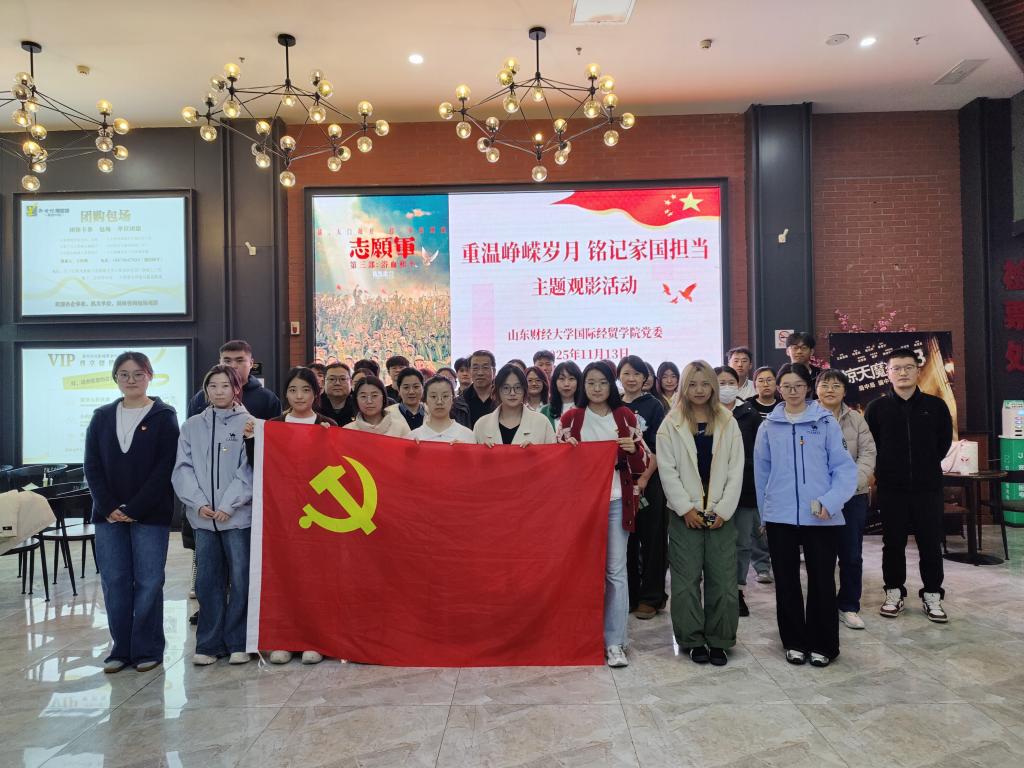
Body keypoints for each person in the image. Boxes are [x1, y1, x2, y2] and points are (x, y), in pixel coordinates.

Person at [754, 363, 857, 667]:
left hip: (821, 515)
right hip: (780, 517)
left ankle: (824, 644)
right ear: (778, 389)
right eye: (786, 386)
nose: (792, 391)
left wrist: (831, 502)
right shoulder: (768, 426)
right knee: (786, 582)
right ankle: (794, 642)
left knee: (822, 581)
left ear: (807, 388)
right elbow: (761, 474)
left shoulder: (825, 422)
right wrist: (765, 515)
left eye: (798, 385)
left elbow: (844, 469)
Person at [84, 352, 180, 674]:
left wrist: (135, 508)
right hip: (107, 516)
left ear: (149, 376)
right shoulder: (101, 416)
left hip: (150, 515)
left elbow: (165, 467)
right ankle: (120, 649)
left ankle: (147, 648)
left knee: (149, 582)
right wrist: (109, 507)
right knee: (115, 581)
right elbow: (92, 465)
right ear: (115, 378)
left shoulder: (164, 416)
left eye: (138, 374)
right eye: (124, 374)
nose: (131, 380)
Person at [558, 362, 647, 668]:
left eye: (603, 382)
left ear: (612, 385)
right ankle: (581, 635)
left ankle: (615, 641)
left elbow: (642, 462)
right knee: (581, 570)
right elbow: (559, 466)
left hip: (617, 501)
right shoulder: (571, 418)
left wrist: (632, 449)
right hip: (582, 505)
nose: (596, 388)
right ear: (583, 386)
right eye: (591, 382)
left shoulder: (625, 416)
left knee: (615, 571)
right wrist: (566, 449)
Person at [655, 361, 744, 666]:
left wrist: (723, 510)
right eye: (692, 384)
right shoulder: (671, 423)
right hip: (685, 516)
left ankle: (720, 639)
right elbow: (667, 471)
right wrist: (686, 508)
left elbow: (736, 470)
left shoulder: (728, 421)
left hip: (720, 514)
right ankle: (692, 640)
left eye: (705, 383)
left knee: (723, 581)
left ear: (713, 387)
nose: (699, 390)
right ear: (683, 387)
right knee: (685, 583)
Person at [172, 365, 254, 666]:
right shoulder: (192, 425)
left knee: (241, 580)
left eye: (225, 386)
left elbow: (250, 470)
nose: (219, 391)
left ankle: (238, 641)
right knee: (207, 581)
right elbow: (182, 468)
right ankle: (208, 643)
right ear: (205, 390)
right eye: (213, 386)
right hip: (203, 519)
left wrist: (229, 505)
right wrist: (198, 503)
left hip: (237, 518)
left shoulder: (250, 424)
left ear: (236, 389)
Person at [865, 348, 953, 623]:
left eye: (908, 367)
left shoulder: (935, 406)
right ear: (888, 373)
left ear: (917, 370)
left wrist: (925, 465)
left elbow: (943, 443)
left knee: (930, 542)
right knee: (893, 543)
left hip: (928, 488)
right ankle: (893, 592)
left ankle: (932, 595)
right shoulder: (876, 408)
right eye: (896, 368)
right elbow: (871, 446)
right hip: (892, 488)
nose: (902, 373)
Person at [816, 370, 877, 630]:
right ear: (816, 389)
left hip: (852, 496)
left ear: (844, 391)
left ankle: (849, 606)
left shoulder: (856, 419)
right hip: (819, 497)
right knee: (821, 555)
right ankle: (822, 605)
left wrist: (848, 486)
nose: (830, 390)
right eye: (825, 385)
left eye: (836, 385)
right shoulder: (808, 417)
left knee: (851, 554)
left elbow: (868, 454)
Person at [617, 356, 668, 620]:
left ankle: (652, 597)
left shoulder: (654, 405)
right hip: (620, 483)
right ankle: (630, 595)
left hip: (650, 481)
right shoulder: (613, 405)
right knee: (625, 541)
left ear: (645, 378)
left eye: (637, 374)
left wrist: (645, 477)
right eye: (627, 373)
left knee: (652, 540)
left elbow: (659, 446)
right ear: (619, 376)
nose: (632, 378)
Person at [715, 365, 765, 618]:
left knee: (742, 543)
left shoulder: (750, 414)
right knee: (716, 543)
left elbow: (759, 452)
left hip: (745, 488)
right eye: (720, 382)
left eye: (730, 382)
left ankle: (737, 590)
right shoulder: (707, 412)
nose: (726, 387)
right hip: (713, 490)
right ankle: (716, 589)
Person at [186, 340, 281, 419]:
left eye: (239, 361)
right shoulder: (201, 398)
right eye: (227, 361)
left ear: (251, 363)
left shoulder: (268, 399)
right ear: (220, 362)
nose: (233, 366)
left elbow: (275, 433)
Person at [474, 364, 556, 446]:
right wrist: (482, 451)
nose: (512, 393)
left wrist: (535, 451)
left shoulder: (542, 422)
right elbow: (471, 453)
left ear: (524, 389)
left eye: (517, 387)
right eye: (506, 388)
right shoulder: (482, 424)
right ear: (497, 390)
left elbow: (553, 453)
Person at [411, 376, 476, 443]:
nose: (439, 402)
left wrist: (465, 448)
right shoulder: (412, 437)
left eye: (445, 396)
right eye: (433, 396)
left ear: (452, 399)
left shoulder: (467, 436)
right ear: (425, 401)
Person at [345, 376, 413, 437]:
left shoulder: (400, 428)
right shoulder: (347, 431)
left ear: (383, 398)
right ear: (356, 399)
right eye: (363, 396)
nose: (369, 401)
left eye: (374, 396)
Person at [455, 350, 497, 426]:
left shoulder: (501, 399)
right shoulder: (459, 402)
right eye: (475, 368)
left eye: (485, 368)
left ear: (494, 372)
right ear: (470, 371)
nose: (480, 373)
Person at [540, 361, 582, 428]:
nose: (566, 384)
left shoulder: (586, 408)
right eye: (561, 378)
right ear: (555, 382)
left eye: (571, 379)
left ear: (579, 381)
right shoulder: (545, 411)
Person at [318, 362, 356, 426]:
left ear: (351, 383)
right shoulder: (314, 406)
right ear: (323, 383)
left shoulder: (359, 406)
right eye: (332, 379)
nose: (337, 383)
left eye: (342, 379)